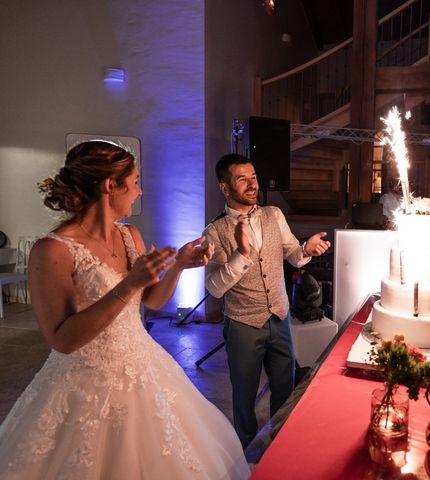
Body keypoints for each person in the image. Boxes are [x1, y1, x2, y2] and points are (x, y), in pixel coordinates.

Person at [0, 141, 250, 480]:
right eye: (133, 181)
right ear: (109, 186)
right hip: (82, 381)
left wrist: (178, 265)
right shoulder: (53, 250)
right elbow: (63, 339)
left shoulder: (129, 234)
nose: (139, 190)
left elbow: (152, 300)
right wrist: (128, 285)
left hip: (142, 365)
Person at [203, 153, 330, 448]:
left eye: (254, 177)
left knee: (285, 388)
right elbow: (214, 288)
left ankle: (280, 444)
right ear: (224, 188)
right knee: (244, 394)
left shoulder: (274, 215)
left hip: (280, 317)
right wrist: (241, 256)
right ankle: (245, 449)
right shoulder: (214, 231)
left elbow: (294, 256)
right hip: (243, 324)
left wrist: (307, 248)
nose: (252, 184)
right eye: (242, 179)